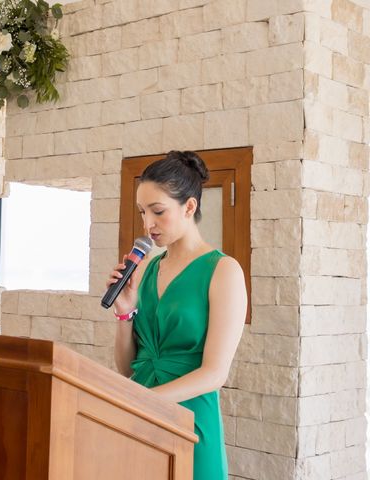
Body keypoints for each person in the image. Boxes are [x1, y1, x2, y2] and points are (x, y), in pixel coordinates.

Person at [106, 150, 247, 479]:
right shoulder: (149, 268)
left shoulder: (223, 271)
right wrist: (125, 314)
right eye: (142, 212)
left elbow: (214, 374)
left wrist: (141, 401)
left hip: (190, 419)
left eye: (158, 211)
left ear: (189, 206)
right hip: (141, 416)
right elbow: (128, 367)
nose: (147, 225)